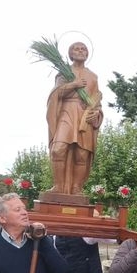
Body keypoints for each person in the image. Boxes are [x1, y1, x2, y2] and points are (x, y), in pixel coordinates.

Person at [46, 41, 104, 195]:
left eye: (83, 49)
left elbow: (96, 100)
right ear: (70, 54)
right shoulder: (64, 72)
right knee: (58, 149)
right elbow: (56, 94)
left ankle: (76, 187)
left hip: (84, 115)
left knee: (82, 154)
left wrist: (96, 113)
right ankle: (58, 186)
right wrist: (74, 84)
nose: (80, 51)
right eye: (76, 49)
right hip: (66, 112)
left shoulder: (93, 77)